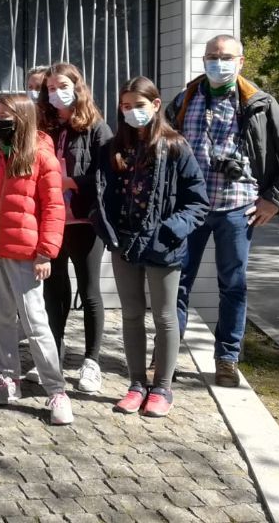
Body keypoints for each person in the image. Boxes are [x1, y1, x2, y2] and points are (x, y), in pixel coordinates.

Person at [168, 35, 279, 386]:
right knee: (177, 283)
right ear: (203, 60)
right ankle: (167, 356)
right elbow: (162, 147)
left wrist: (274, 199)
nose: (218, 63)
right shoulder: (185, 99)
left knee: (233, 285)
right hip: (191, 208)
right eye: (212, 56)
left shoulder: (259, 103)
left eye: (226, 57)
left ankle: (227, 359)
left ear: (241, 62)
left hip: (237, 208)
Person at [93, 77, 209, 418]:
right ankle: (136, 384)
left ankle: (162, 388)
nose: (132, 113)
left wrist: (171, 230)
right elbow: (100, 195)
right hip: (125, 245)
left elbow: (197, 203)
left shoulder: (176, 147)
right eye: (126, 107)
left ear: (156, 105)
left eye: (139, 106)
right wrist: (106, 227)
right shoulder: (113, 148)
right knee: (130, 315)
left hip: (164, 246)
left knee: (164, 317)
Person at [0, 92, 72, 426]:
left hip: (26, 255)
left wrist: (45, 252)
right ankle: (8, 377)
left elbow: (55, 208)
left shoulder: (43, 156)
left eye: (8, 115)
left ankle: (56, 390)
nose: (1, 120)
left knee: (35, 321)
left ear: (24, 118)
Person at [37, 62, 113, 393]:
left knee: (90, 290)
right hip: (50, 223)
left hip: (84, 222)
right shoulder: (43, 128)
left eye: (62, 86)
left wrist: (72, 181)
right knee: (54, 290)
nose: (56, 93)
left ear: (77, 87)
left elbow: (109, 174)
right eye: (50, 88)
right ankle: (54, 352)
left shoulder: (97, 128)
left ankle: (92, 361)